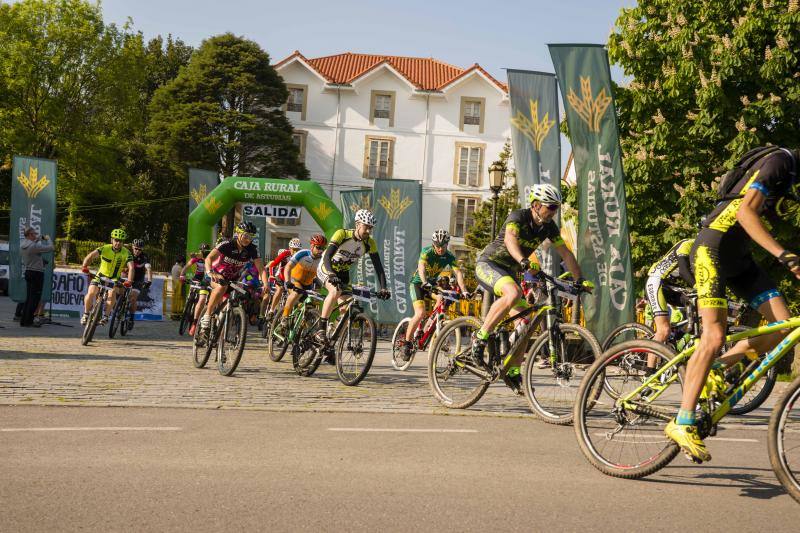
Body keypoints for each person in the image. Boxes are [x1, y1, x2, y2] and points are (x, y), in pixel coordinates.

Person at [666, 145, 800, 463]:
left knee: (783, 326)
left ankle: (715, 367)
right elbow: (744, 213)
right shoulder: (780, 162)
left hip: (740, 261)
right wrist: (785, 256)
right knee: (714, 335)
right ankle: (682, 421)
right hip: (711, 248)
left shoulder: (792, 176)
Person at [473, 183, 590, 391]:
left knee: (527, 322)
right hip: (489, 264)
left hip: (509, 272)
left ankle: (514, 371)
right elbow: (510, 240)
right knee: (514, 292)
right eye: (551, 207)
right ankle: (480, 337)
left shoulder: (549, 227)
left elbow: (566, 253)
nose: (554, 211)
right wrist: (522, 259)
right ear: (536, 205)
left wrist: (579, 279)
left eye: (556, 207)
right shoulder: (518, 216)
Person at [315, 209, 390, 346]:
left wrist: (384, 287)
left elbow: (378, 267)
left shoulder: (369, 243)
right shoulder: (342, 234)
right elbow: (327, 256)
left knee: (348, 311)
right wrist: (331, 274)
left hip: (343, 274)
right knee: (334, 291)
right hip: (327, 268)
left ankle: (331, 342)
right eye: (366, 227)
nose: (368, 231)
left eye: (371, 228)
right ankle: (320, 329)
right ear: (357, 224)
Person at [401, 229, 468, 361]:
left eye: (443, 246)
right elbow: (421, 267)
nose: (440, 249)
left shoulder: (449, 256)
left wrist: (464, 290)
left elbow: (458, 273)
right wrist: (424, 281)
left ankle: (429, 324)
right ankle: (406, 343)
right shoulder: (427, 252)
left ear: (446, 244)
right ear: (433, 244)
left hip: (431, 285)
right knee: (420, 313)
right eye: (437, 246)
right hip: (418, 284)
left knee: (442, 298)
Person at [198, 221, 267, 335]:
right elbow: (209, 258)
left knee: (245, 293)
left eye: (251, 237)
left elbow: (261, 268)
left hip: (232, 281)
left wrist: (265, 284)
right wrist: (210, 272)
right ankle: (207, 316)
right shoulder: (227, 244)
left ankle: (221, 338)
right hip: (214, 275)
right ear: (238, 233)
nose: (248, 239)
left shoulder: (252, 249)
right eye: (245, 235)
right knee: (221, 286)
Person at [80, 229, 134, 326]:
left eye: (120, 241)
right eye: (116, 240)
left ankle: (106, 316)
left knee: (112, 293)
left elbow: (131, 267)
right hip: (100, 276)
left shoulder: (127, 253)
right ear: (111, 240)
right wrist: (84, 266)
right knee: (91, 292)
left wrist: (129, 280)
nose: (118, 243)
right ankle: (86, 314)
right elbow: (91, 256)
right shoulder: (105, 248)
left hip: (114, 279)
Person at [277, 234, 327, 330]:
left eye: (323, 248)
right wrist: (287, 281)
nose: (320, 250)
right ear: (312, 246)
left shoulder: (322, 260)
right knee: (296, 293)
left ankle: (303, 331)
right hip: (294, 280)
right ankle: (285, 316)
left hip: (308, 284)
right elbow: (288, 267)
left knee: (310, 305)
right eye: (318, 247)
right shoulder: (302, 254)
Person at [19, 227, 53, 327]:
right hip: (37, 273)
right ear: (29, 235)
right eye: (34, 234)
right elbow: (51, 248)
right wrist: (48, 239)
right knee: (35, 299)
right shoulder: (33, 246)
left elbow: (34, 242)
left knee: (29, 298)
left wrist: (38, 238)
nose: (35, 235)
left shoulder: (23, 244)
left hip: (28, 271)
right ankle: (29, 321)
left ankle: (24, 321)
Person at [262, 238, 302, 324]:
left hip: (292, 278)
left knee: (295, 294)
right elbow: (272, 265)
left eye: (297, 250)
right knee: (279, 289)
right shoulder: (285, 254)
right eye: (293, 249)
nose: (295, 252)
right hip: (281, 276)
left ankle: (288, 315)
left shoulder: (301, 256)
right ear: (289, 248)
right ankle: (271, 310)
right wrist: (272, 275)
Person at [180, 243, 211, 336]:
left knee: (202, 298)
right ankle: (188, 304)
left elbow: (207, 271)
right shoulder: (196, 258)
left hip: (204, 279)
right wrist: (182, 274)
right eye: (201, 251)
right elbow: (187, 266)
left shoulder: (208, 259)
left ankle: (197, 314)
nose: (202, 252)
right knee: (191, 289)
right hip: (197, 277)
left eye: (204, 251)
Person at [127, 239, 152, 330]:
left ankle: (131, 318)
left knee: (133, 298)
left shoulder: (144, 257)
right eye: (136, 248)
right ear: (132, 247)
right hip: (126, 276)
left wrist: (149, 280)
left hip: (138, 280)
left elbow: (148, 268)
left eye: (139, 249)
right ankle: (120, 306)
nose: (137, 251)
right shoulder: (127, 253)